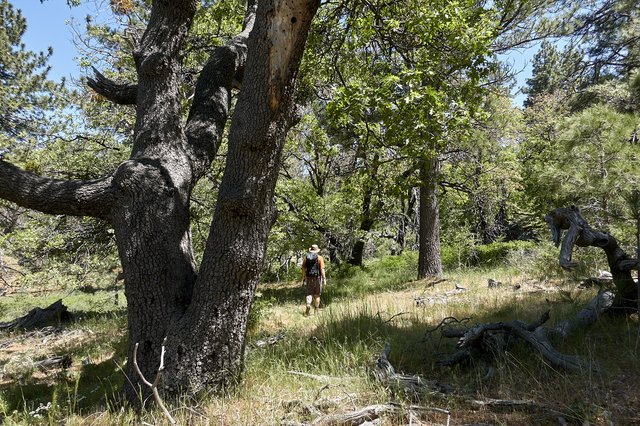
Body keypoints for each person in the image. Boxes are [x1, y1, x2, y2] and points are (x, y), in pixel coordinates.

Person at [301, 244, 326, 315]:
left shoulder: (306, 257)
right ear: (317, 250)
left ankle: (308, 304)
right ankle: (316, 310)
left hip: (308, 277)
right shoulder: (320, 258)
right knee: (317, 294)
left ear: (311, 250)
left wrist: (303, 278)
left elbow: (303, 268)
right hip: (317, 278)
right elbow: (322, 269)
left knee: (309, 293)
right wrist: (324, 278)